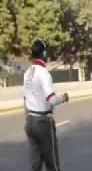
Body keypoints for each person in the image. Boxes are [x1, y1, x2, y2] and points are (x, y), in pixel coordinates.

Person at [24, 40, 69, 171]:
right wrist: (64, 97)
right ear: (43, 53)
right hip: (43, 122)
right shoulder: (43, 73)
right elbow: (52, 100)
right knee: (52, 162)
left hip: (30, 121)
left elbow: (25, 99)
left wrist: (27, 119)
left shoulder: (27, 72)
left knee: (35, 164)